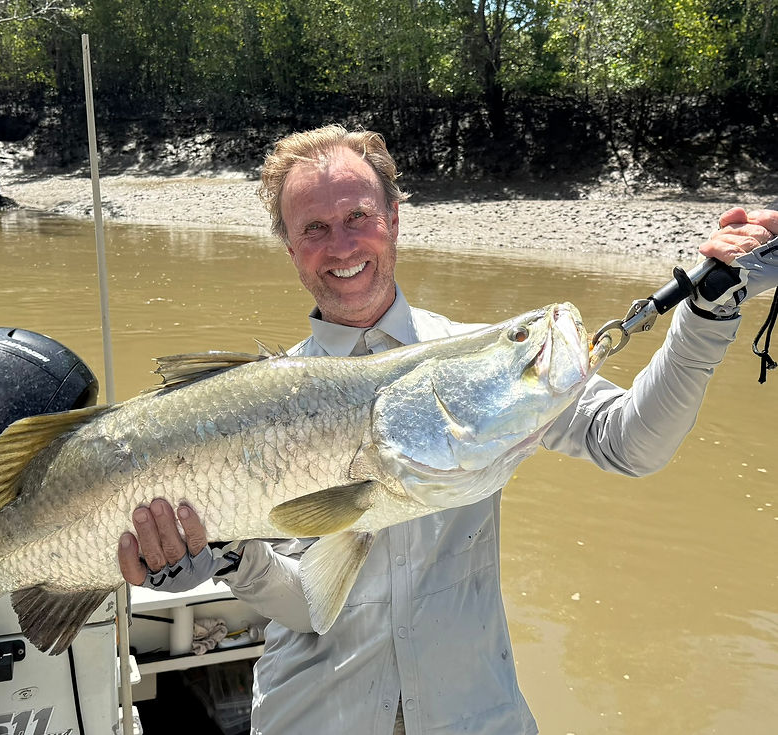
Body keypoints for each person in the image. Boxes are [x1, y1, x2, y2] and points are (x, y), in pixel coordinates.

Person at [117, 125, 778, 734]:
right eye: (314, 227)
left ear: (394, 220)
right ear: (290, 248)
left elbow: (629, 442)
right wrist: (227, 556)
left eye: (358, 217)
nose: (342, 245)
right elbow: (307, 605)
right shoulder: (256, 408)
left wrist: (706, 314)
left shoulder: (492, 361)